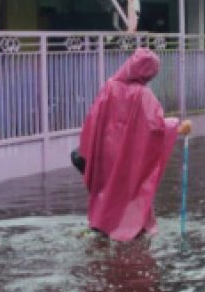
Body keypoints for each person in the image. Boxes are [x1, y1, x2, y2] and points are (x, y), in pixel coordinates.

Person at [77, 48, 192, 241]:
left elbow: (92, 120)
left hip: (105, 155)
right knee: (131, 189)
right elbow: (156, 128)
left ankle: (101, 227)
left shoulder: (109, 87)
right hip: (129, 158)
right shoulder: (143, 96)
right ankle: (126, 229)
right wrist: (179, 127)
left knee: (106, 190)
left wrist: (89, 151)